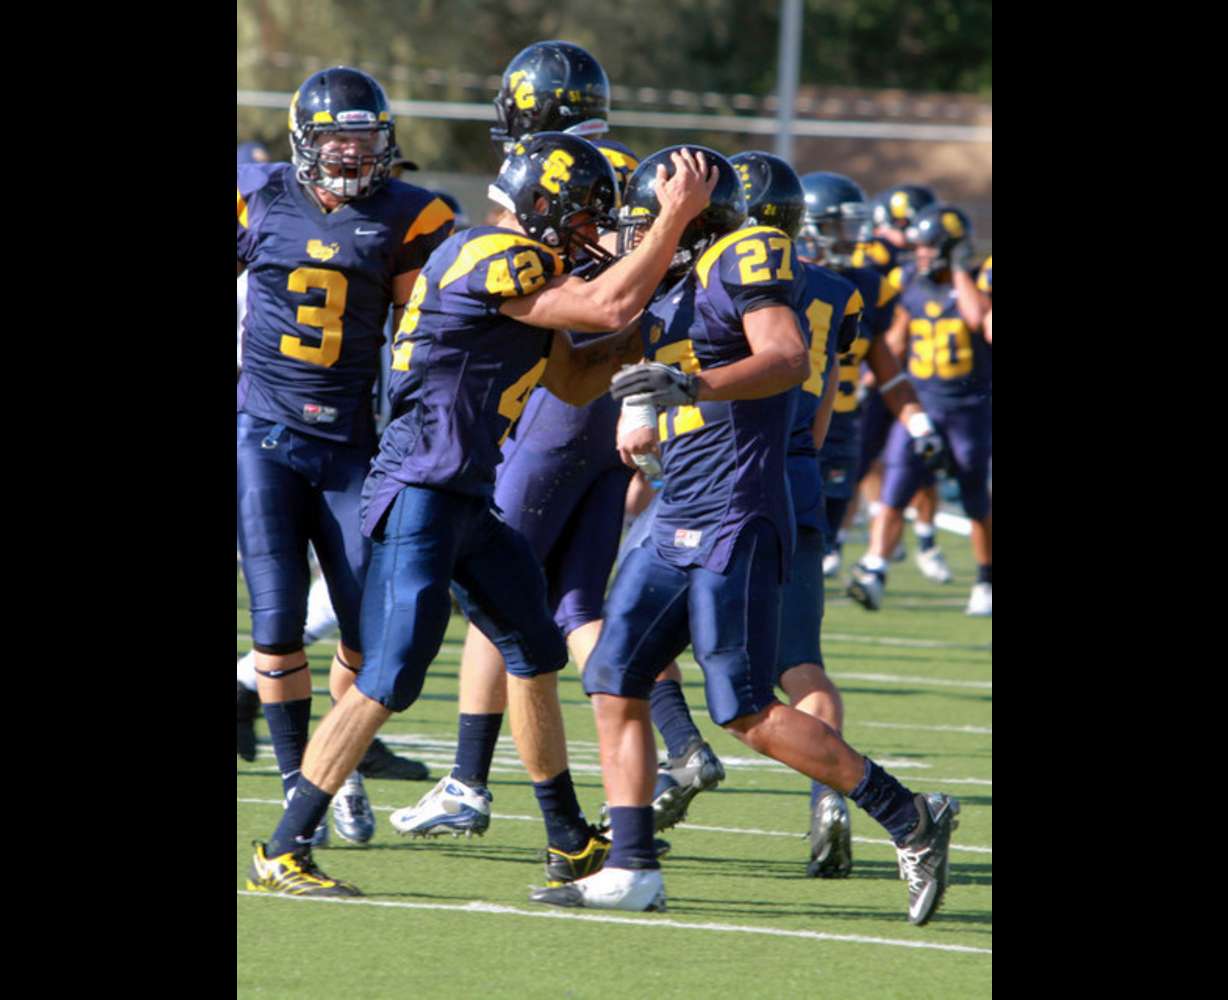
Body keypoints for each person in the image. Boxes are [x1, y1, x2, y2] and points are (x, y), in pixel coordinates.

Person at [245, 134, 719, 898]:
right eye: (583, 213)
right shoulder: (493, 250)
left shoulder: (520, 273)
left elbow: (572, 379)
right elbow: (607, 301)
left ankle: (568, 839)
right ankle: (284, 845)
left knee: (535, 648)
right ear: (541, 204)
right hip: (421, 489)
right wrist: (672, 223)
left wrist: (657, 328)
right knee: (393, 673)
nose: (592, 229)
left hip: (465, 492)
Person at [531, 147, 959, 924]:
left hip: (737, 511)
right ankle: (632, 866)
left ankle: (912, 816)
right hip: (678, 510)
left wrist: (689, 384)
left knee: (745, 708)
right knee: (614, 677)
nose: (636, 233)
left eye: (649, 216)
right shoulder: (666, 280)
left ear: (700, 210)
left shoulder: (745, 251)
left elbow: (787, 358)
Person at [392, 41, 721, 856]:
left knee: (493, 588)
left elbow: (595, 295)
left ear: (527, 109)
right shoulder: (640, 167)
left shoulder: (555, 172)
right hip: (619, 394)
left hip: (558, 388)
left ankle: (468, 779)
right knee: (575, 599)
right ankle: (682, 743)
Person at [237, 66, 454, 846]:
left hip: (354, 443)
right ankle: (302, 785)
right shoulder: (259, 200)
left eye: (364, 137)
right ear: (306, 140)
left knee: (371, 632)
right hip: (265, 434)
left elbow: (430, 330)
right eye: (337, 138)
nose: (352, 153)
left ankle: (342, 761)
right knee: (276, 621)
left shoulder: (411, 214)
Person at [848, 205, 992, 616]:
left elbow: (980, 319)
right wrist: (870, 377)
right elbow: (894, 342)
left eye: (931, 248)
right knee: (895, 485)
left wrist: (961, 271)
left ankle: (986, 577)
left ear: (950, 249)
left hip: (969, 409)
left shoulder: (979, 279)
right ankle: (875, 568)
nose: (922, 255)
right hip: (921, 405)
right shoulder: (908, 281)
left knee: (975, 497)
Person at [849, 183, 946, 578]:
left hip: (922, 373)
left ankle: (924, 537)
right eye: (903, 227)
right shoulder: (871, 255)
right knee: (863, 454)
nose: (908, 239)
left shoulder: (929, 264)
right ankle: (851, 539)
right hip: (879, 363)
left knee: (923, 458)